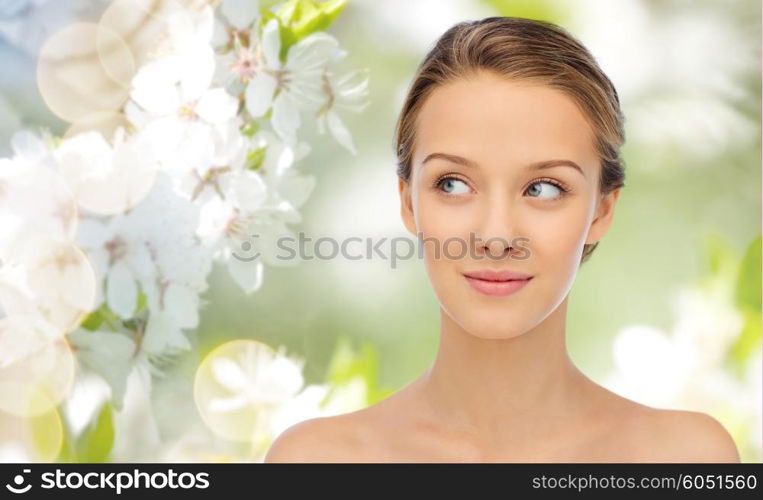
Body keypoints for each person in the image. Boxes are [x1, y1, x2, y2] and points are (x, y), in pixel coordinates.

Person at [265, 16, 740, 462]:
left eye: (543, 189)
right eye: (452, 184)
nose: (495, 237)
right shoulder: (317, 462)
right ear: (409, 203)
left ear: (602, 209)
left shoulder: (683, 458)